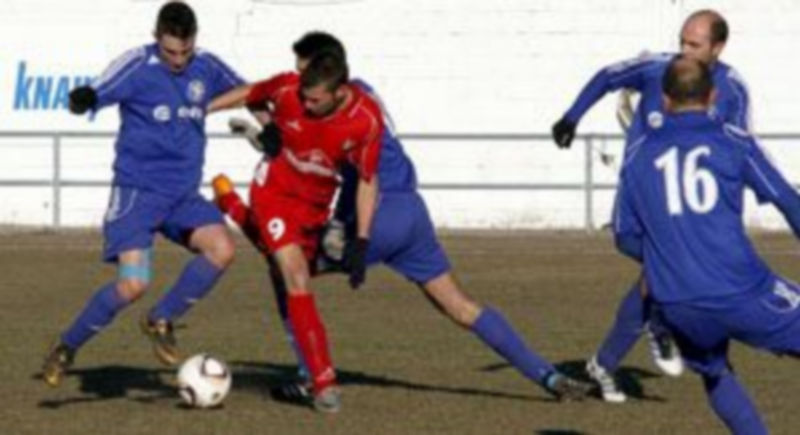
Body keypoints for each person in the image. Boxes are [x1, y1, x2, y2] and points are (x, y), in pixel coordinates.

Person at [212, 31, 593, 404]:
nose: (300, 86)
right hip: (412, 212)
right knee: (459, 305)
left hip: (378, 214)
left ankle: (311, 376)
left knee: (285, 265)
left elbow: (354, 172)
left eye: (304, 74)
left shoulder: (341, 113)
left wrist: (359, 238)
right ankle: (547, 374)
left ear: (328, 74)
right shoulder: (363, 97)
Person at [551, 9, 751, 402]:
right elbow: (609, 75)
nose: (684, 52)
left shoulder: (733, 89)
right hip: (639, 202)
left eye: (694, 45)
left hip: (690, 209)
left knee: (668, 273)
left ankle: (607, 362)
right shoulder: (656, 69)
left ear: (718, 48)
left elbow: (739, 151)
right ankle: (661, 329)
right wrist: (571, 117)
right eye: (682, 42)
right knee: (665, 268)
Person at [42, 2, 243, 387]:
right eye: (170, 51)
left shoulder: (207, 66)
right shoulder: (138, 65)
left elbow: (249, 91)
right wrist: (84, 97)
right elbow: (98, 89)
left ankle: (160, 319)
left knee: (223, 248)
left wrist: (266, 126)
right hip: (138, 194)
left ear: (194, 42)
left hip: (183, 196)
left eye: (185, 51)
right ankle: (67, 347)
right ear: (157, 39)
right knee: (133, 283)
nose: (179, 60)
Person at [614, 55, 800, 435]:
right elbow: (787, 200)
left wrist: (668, 257)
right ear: (713, 95)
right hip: (743, 291)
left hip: (678, 304)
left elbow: (623, 235)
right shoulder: (732, 141)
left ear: (664, 99)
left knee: (715, 372)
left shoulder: (637, 157)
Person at [211, 51, 385, 413]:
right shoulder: (291, 87)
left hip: (314, 207)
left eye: (315, 100)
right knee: (295, 275)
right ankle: (324, 383)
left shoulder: (365, 119)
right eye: (304, 96)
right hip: (273, 192)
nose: (305, 104)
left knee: (279, 265)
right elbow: (250, 93)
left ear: (339, 92)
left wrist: (363, 237)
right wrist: (203, 111)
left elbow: (368, 180)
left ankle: (230, 204)